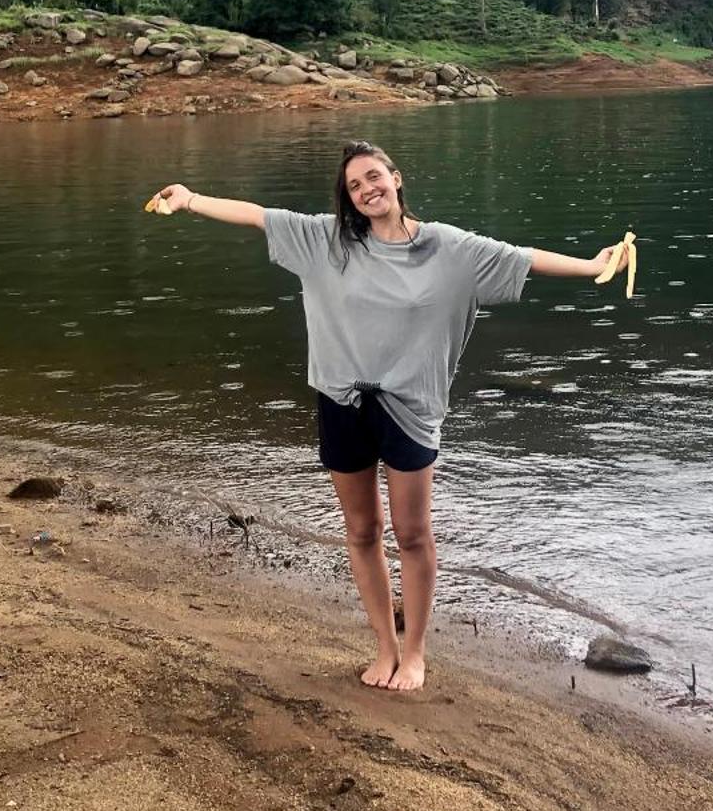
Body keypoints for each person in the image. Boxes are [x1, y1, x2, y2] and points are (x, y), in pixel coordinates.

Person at [147, 139, 627, 693]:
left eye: (373, 176)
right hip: (342, 401)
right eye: (354, 186)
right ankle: (384, 646)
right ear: (348, 199)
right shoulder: (324, 242)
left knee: (414, 534)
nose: (366, 189)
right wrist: (190, 199)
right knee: (362, 531)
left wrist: (594, 264)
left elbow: (521, 258)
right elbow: (257, 216)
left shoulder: (449, 248)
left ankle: (416, 652)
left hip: (411, 406)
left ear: (396, 179)